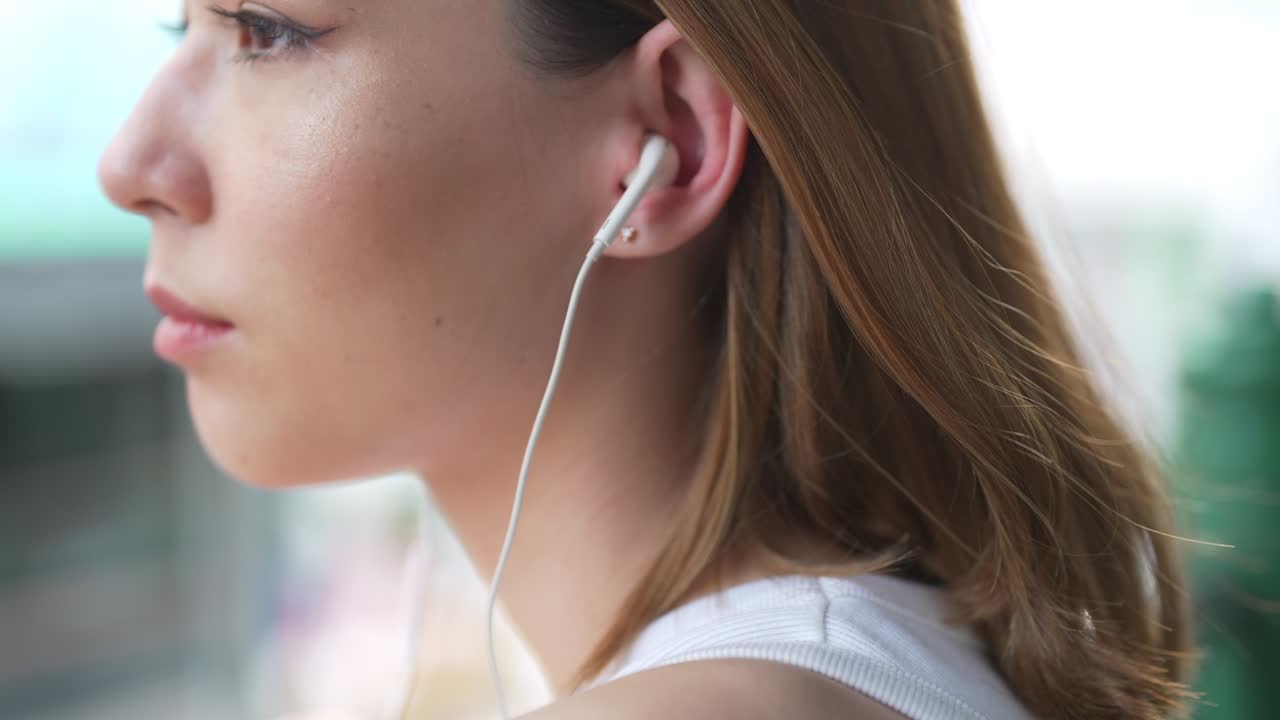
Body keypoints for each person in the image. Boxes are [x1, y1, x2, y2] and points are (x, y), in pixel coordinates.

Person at [98, 2, 1194, 718]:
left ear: (667, 142)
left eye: (270, 30)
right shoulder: (896, 659)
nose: (130, 164)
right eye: (176, 28)